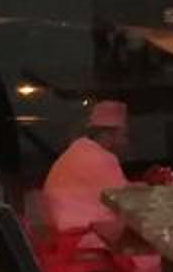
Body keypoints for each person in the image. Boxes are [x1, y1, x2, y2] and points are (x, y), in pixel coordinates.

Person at [40, 97, 135, 246]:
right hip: (80, 237)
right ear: (107, 134)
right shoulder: (101, 158)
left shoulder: (79, 149)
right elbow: (126, 200)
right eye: (123, 136)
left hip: (60, 233)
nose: (126, 142)